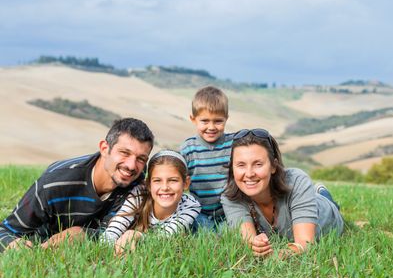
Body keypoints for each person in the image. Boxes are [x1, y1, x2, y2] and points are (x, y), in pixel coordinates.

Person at [0, 118, 154, 253]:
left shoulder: (136, 183)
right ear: (104, 149)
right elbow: (5, 231)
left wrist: (81, 234)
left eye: (141, 158)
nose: (132, 165)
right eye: (124, 153)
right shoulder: (54, 183)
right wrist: (13, 245)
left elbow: (111, 233)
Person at [221, 129, 344, 258]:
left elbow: (305, 243)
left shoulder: (296, 181)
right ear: (232, 168)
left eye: (258, 164)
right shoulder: (230, 196)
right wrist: (256, 246)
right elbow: (248, 242)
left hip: (326, 212)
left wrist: (276, 255)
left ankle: (323, 193)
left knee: (329, 203)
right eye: (241, 165)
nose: (250, 173)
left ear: (273, 166)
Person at [101, 149, 201, 255]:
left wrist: (135, 235)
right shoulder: (139, 194)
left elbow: (165, 237)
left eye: (173, 180)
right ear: (148, 184)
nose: (165, 187)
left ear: (186, 183)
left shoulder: (191, 206)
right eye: (157, 181)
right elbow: (116, 226)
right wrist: (109, 248)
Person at [180, 86, 234, 231]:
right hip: (199, 212)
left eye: (218, 121)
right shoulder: (188, 148)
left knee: (233, 235)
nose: (211, 127)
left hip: (229, 212)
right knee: (205, 235)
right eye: (204, 121)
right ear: (193, 119)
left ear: (226, 119)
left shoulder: (233, 145)